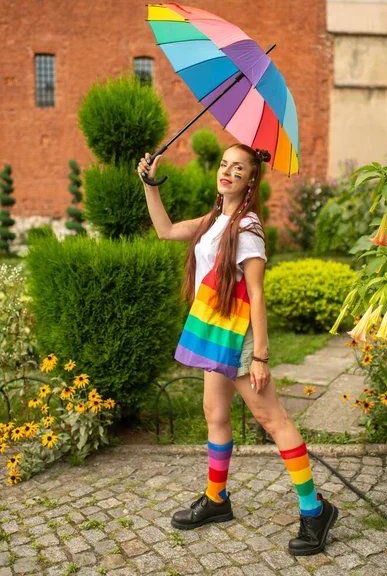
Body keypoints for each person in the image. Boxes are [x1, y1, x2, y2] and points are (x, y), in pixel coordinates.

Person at [136, 143, 338, 556]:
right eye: (225, 164)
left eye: (238, 168)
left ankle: (315, 509)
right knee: (216, 413)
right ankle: (216, 499)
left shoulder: (247, 228)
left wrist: (261, 356)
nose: (227, 171)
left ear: (250, 181)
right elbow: (166, 230)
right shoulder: (215, 219)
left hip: (240, 336)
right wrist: (150, 185)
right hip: (214, 330)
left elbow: (258, 293)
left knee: (271, 417)